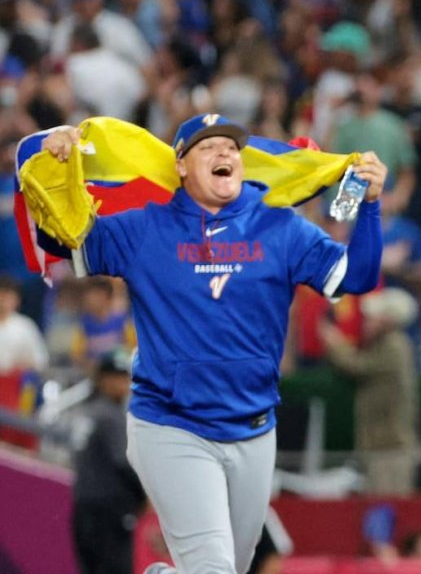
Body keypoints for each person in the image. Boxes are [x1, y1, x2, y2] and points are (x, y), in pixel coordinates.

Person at [40, 113, 387, 574]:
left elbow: (357, 276)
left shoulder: (281, 229)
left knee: (230, 569)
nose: (223, 153)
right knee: (213, 570)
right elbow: (63, 239)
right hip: (172, 425)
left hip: (254, 428)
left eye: (230, 147)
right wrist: (57, 165)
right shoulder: (146, 229)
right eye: (207, 147)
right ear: (180, 166)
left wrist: (371, 207)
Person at [320, 288, 421, 495]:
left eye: (372, 318)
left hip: (390, 450)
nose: (366, 322)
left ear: (388, 320)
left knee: (386, 509)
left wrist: (334, 343)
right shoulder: (387, 344)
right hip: (381, 447)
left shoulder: (394, 346)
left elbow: (357, 366)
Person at [71, 350, 145, 574]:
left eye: (125, 376)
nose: (122, 382)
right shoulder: (110, 415)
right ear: (102, 378)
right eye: (115, 376)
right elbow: (122, 461)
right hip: (109, 512)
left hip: (83, 508)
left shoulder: (87, 411)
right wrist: (144, 495)